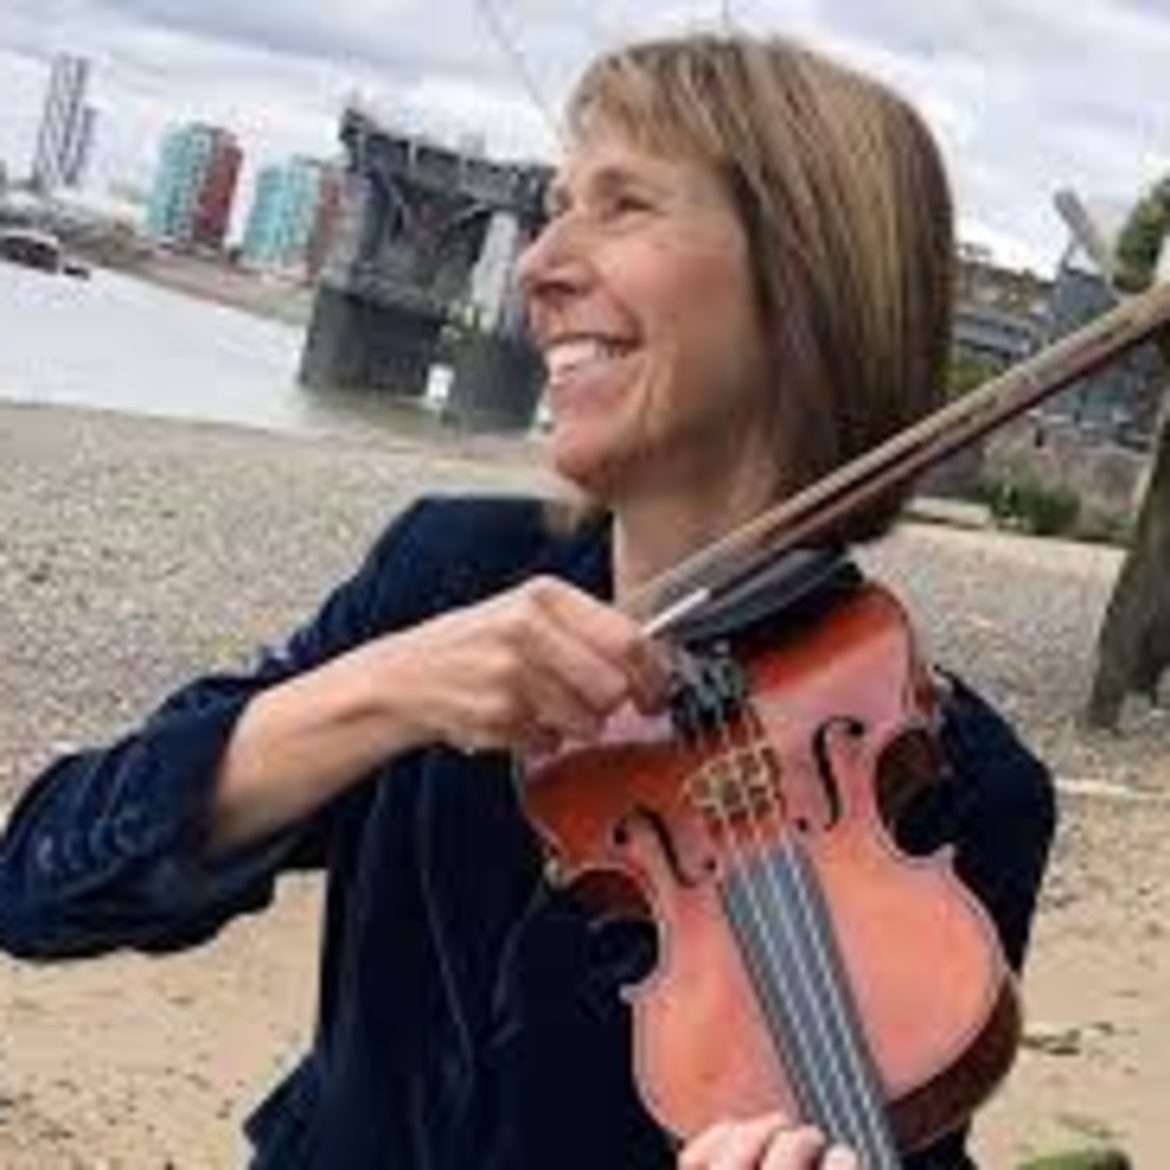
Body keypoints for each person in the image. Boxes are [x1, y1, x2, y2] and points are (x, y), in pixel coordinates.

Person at [0, 32, 1055, 1170]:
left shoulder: (954, 776)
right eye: (555, 210)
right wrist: (382, 692)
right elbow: (43, 883)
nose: (537, 266)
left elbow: (901, 1124)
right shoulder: (453, 575)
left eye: (624, 205)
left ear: (809, 283)